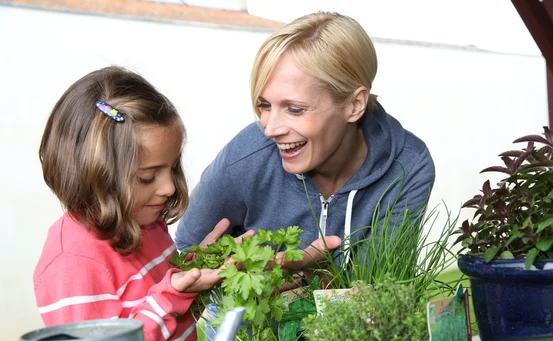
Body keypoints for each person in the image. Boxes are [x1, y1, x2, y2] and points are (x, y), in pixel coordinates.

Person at [33, 66, 240, 341]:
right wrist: (170, 296)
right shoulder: (74, 262)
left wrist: (195, 276)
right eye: (148, 177)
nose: (169, 187)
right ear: (95, 176)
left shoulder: (147, 224)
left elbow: (170, 322)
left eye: (172, 168)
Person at [175, 11, 435, 268]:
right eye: (265, 105)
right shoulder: (245, 157)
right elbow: (185, 252)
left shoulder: (409, 166)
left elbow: (378, 288)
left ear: (355, 105)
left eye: (295, 109)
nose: (270, 129)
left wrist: (302, 277)